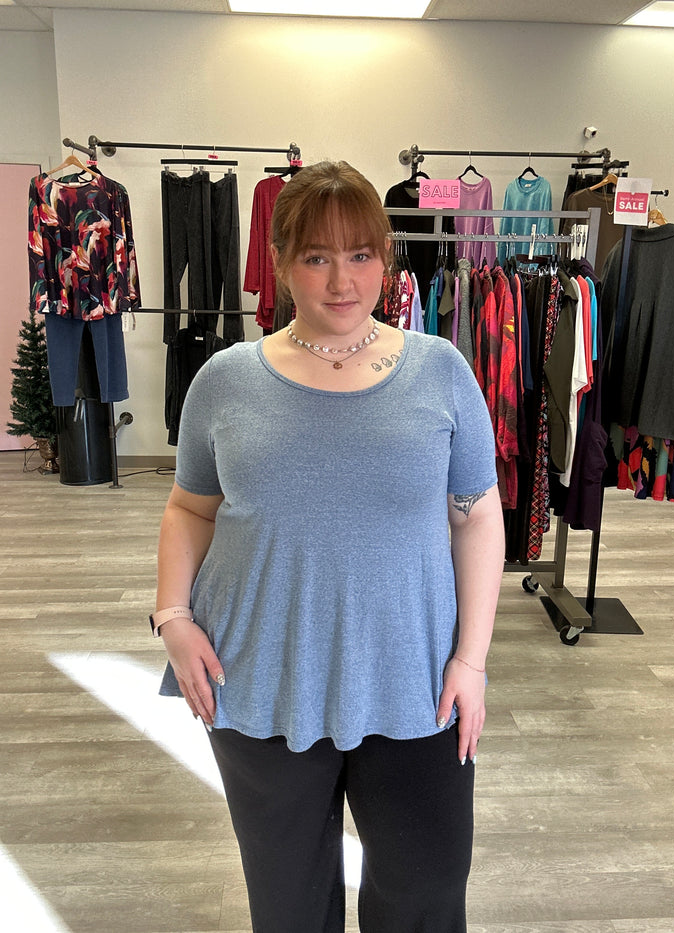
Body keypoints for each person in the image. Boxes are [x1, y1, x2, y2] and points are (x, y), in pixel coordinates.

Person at [153, 160, 505, 933]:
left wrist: (471, 660)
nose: (341, 280)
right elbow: (189, 506)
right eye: (316, 256)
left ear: (385, 259)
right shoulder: (224, 380)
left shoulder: (441, 369)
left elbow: (477, 513)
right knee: (289, 903)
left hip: (416, 680)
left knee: (427, 888)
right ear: (280, 263)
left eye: (360, 255)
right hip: (260, 677)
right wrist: (173, 615)